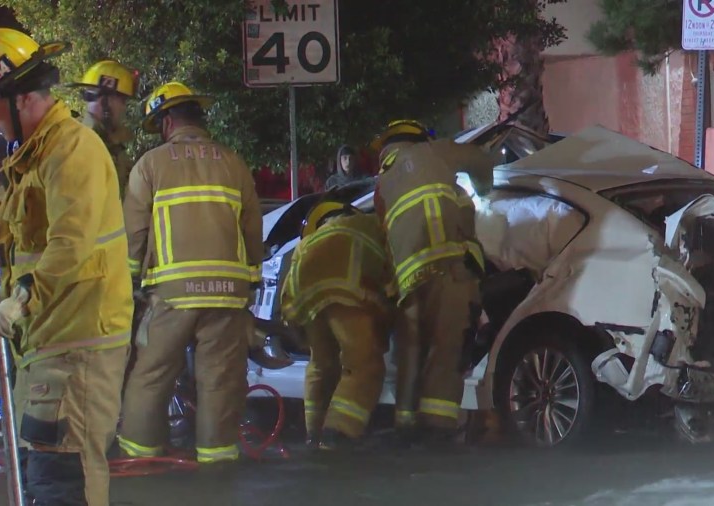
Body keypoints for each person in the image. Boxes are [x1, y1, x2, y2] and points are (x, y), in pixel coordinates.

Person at [0, 28, 133, 506]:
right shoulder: (29, 159)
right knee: (43, 470)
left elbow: (69, 243)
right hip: (47, 342)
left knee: (61, 477)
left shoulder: (70, 150)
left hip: (77, 343)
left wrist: (20, 300)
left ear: (24, 98)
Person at [119, 81, 263, 465]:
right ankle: (216, 462)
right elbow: (252, 229)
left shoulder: (150, 165)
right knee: (220, 381)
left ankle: (141, 457)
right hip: (227, 295)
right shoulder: (234, 162)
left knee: (151, 375)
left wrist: (131, 283)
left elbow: (134, 234)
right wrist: (249, 280)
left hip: (171, 294)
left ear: (167, 121)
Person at [372, 119, 497, 445]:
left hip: (408, 282)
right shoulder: (433, 152)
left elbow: (384, 236)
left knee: (411, 353)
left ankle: (405, 424)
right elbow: (480, 159)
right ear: (418, 140)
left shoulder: (383, 184)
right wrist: (485, 190)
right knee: (446, 349)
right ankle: (437, 431)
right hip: (447, 268)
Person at [280, 198, 394, 450]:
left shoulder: (313, 237)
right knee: (364, 364)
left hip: (302, 291)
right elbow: (393, 285)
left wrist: (295, 326)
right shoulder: (377, 227)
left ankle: (314, 433)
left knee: (321, 362)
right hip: (345, 285)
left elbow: (290, 277)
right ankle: (338, 433)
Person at [66, 59, 138, 200]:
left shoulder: (114, 147)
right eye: (122, 101)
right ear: (105, 101)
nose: (124, 108)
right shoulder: (74, 142)